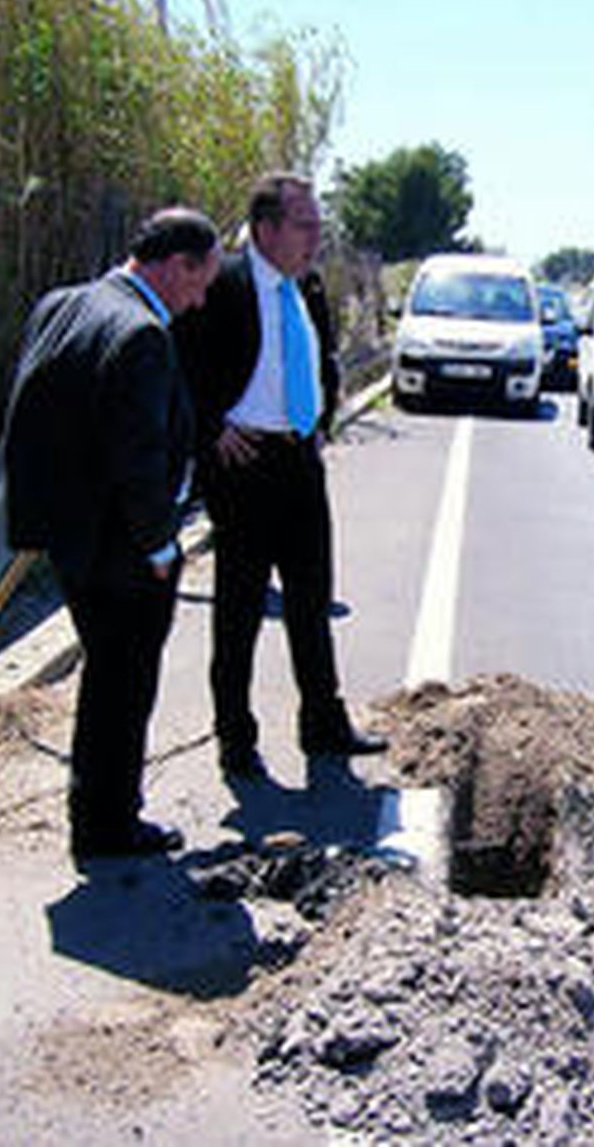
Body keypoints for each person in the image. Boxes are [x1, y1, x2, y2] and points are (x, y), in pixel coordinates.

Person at [3, 206, 222, 864]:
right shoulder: (142, 333)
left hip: (70, 533)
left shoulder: (63, 304)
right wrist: (160, 545)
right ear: (175, 262)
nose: (200, 297)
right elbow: (137, 458)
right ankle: (108, 826)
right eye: (200, 280)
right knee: (123, 686)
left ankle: (94, 810)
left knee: (105, 677)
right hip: (122, 546)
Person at [176, 172, 385, 779]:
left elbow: (319, 357)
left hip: (299, 461)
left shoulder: (307, 285)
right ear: (265, 229)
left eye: (319, 226)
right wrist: (210, 427)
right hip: (244, 467)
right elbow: (179, 361)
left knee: (310, 599)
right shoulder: (225, 283)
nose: (315, 237)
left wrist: (322, 418)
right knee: (239, 609)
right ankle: (235, 740)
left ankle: (323, 723)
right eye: (305, 225)